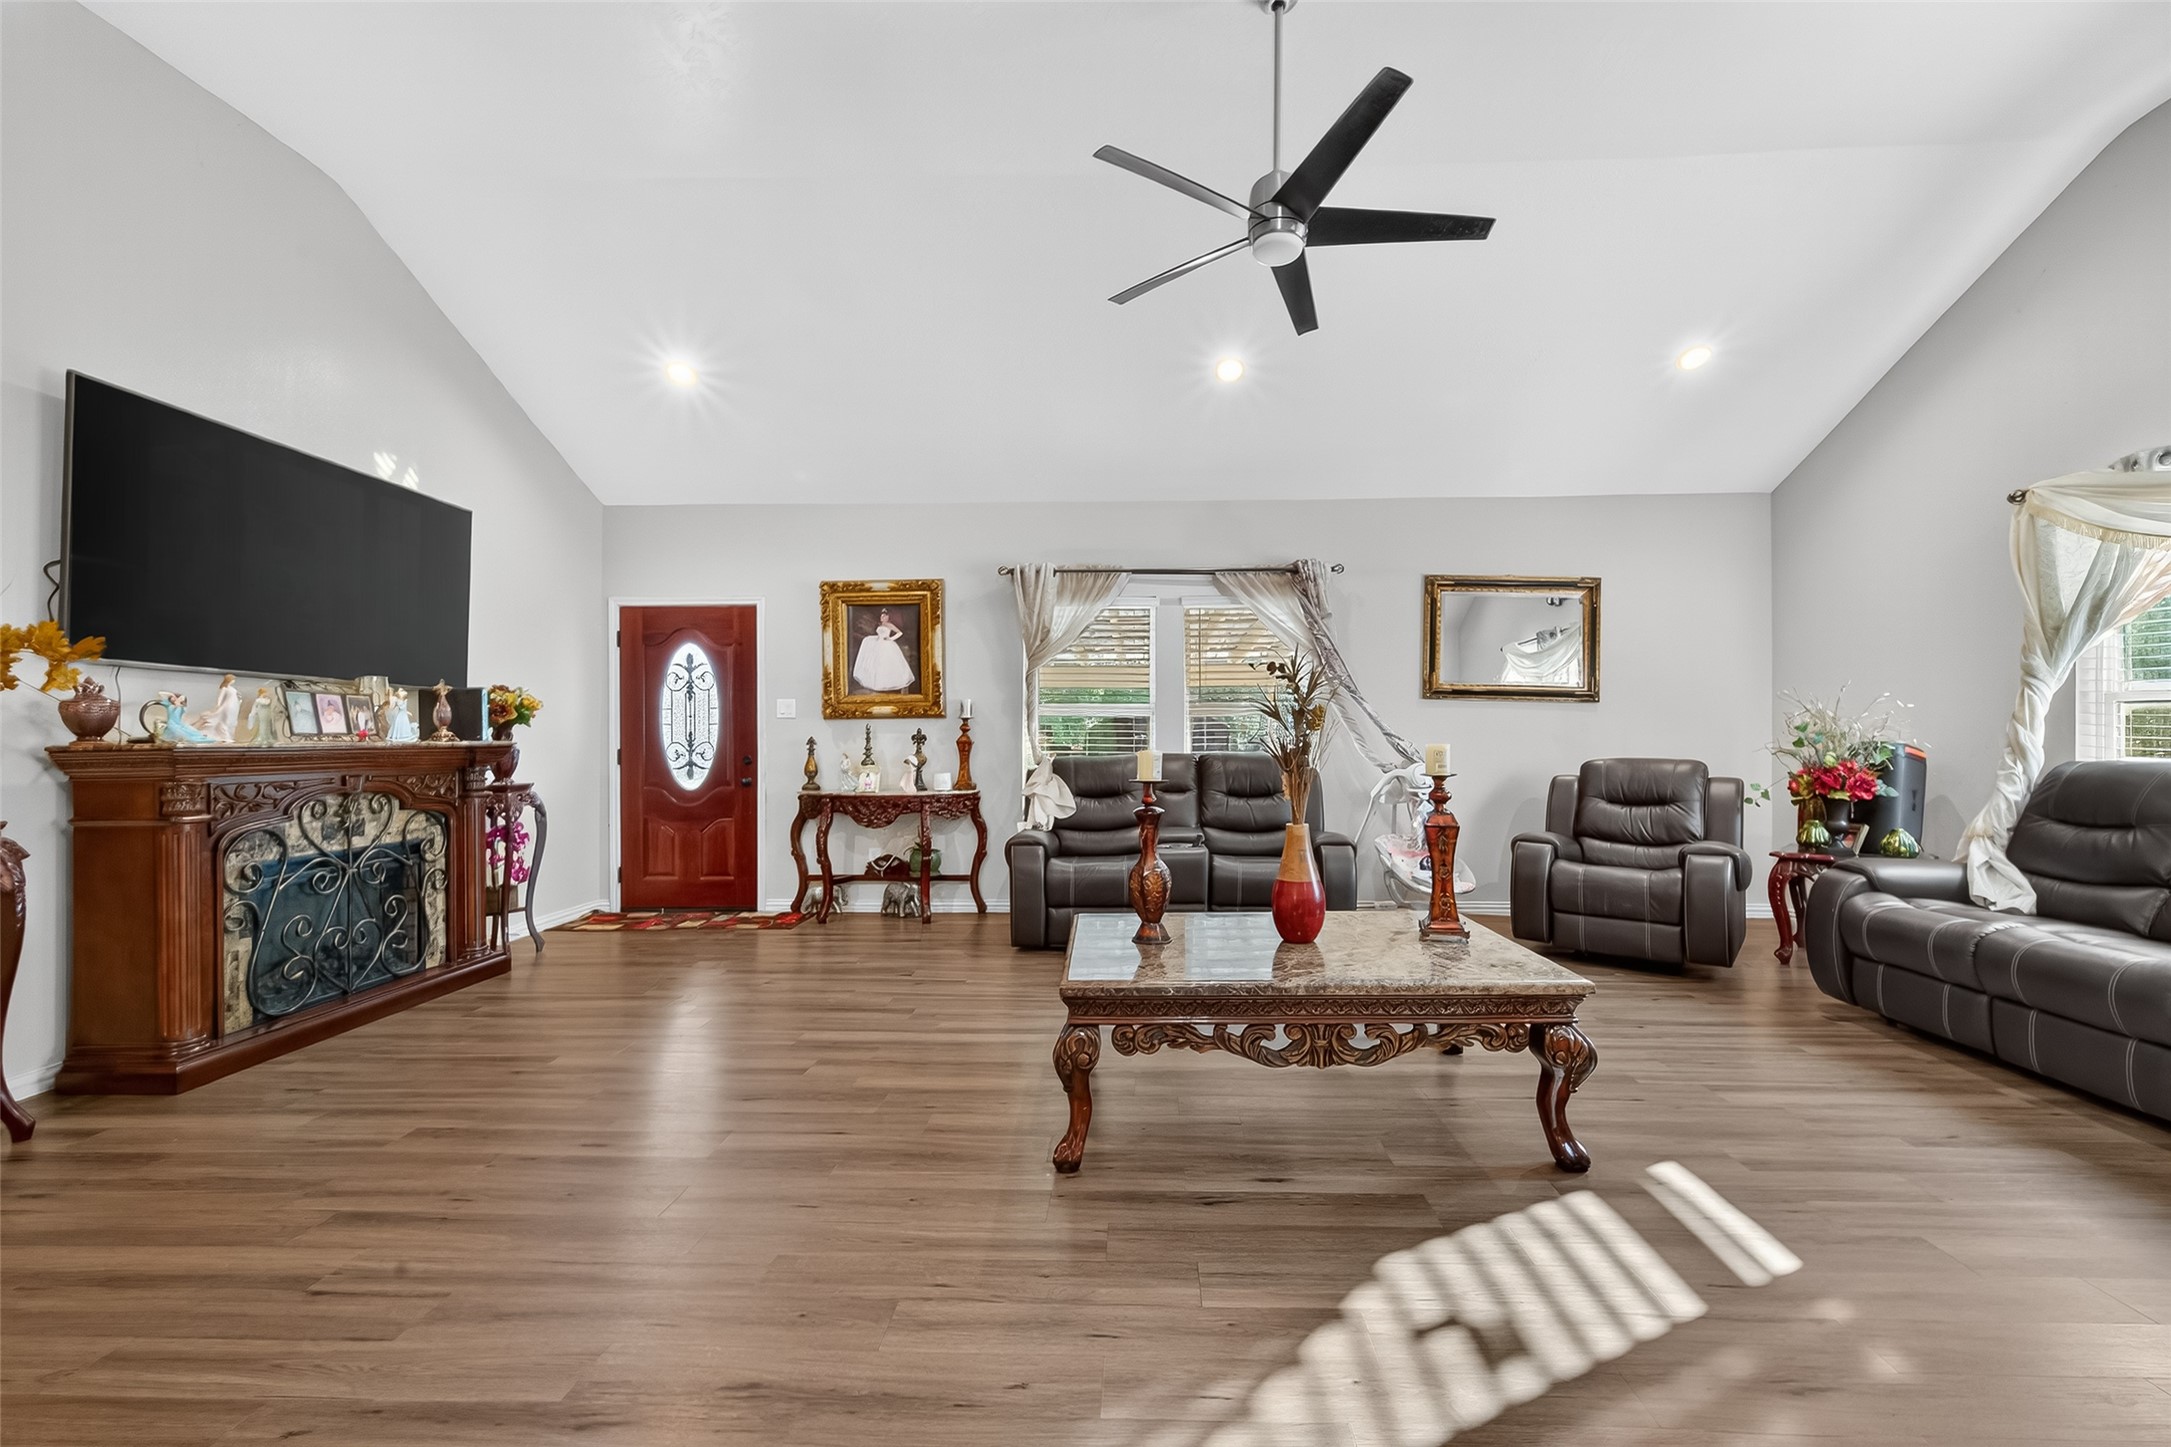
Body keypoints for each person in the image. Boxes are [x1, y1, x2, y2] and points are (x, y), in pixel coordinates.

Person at [850, 609, 916, 693]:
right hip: (878, 643)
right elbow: (879, 634)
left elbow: (899, 633)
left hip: (886, 645)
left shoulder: (889, 625)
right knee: (876, 663)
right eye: (881, 616)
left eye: (884, 616)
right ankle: (876, 682)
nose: (882, 618)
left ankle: (887, 683)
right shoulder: (880, 625)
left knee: (884, 663)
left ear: (887, 617)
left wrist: (890, 639)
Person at [192, 674, 241, 742]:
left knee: (231, 721)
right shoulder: (224, 688)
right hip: (227, 707)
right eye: (233, 679)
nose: (234, 681)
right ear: (229, 680)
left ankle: (229, 736)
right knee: (225, 720)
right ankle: (225, 736)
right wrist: (218, 705)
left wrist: (238, 699)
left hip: (234, 707)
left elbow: (236, 696)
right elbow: (220, 698)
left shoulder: (232, 689)